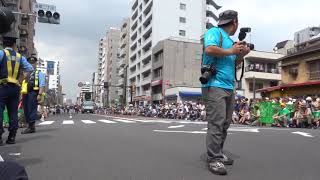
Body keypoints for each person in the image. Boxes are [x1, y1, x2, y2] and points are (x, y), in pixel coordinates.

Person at [201, 10, 250, 175]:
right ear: (235, 22)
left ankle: (219, 153)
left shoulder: (230, 41)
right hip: (214, 84)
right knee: (217, 122)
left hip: (229, 86)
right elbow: (209, 49)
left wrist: (241, 55)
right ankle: (213, 158)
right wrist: (232, 51)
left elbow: (233, 63)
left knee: (225, 123)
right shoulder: (214, 32)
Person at [0, 34, 33, 145]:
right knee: (13, 112)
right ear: (14, 45)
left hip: (2, 86)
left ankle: (0, 137)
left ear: (3, 44)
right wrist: (20, 79)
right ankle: (12, 136)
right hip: (15, 88)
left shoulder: (1, 53)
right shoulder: (20, 57)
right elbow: (30, 69)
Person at [21, 56, 46, 134]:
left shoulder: (39, 73)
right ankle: (29, 125)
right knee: (26, 109)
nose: (31, 64)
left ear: (36, 64)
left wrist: (40, 94)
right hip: (25, 93)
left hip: (33, 93)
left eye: (33, 63)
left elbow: (42, 84)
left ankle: (31, 126)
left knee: (32, 109)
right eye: (30, 63)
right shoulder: (25, 73)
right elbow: (22, 84)